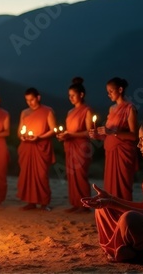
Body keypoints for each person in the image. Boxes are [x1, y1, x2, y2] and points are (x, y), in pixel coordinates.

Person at [82, 116, 143, 263]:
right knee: (103, 210)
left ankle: (131, 251)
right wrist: (110, 199)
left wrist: (113, 203)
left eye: (142, 139)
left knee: (130, 218)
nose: (138, 145)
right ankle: (126, 249)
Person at [89, 77, 138, 201]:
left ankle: (125, 214)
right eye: (107, 91)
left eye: (111, 91)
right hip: (111, 151)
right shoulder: (112, 109)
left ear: (120, 89)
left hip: (123, 152)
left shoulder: (129, 108)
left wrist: (112, 132)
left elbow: (134, 135)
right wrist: (97, 135)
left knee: (123, 185)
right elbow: (108, 134)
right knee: (110, 185)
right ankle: (112, 213)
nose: (108, 94)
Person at [56, 78, 94, 213]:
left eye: (73, 95)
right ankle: (75, 203)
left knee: (80, 175)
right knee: (72, 175)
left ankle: (85, 205)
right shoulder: (70, 112)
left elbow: (90, 132)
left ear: (81, 95)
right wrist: (63, 135)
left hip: (82, 147)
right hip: (70, 146)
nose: (70, 98)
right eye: (69, 96)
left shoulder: (87, 110)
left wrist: (71, 135)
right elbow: (69, 131)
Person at [17, 88, 56, 211]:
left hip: (41, 147)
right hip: (27, 147)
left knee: (41, 175)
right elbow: (19, 131)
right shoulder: (24, 112)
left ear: (38, 98)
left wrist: (39, 137)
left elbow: (53, 130)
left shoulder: (48, 111)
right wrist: (22, 136)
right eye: (27, 100)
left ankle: (44, 202)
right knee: (27, 174)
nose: (30, 102)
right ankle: (31, 201)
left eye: (32, 99)